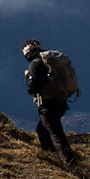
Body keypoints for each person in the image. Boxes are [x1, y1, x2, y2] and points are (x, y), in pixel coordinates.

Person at [22, 38, 76, 166]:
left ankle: (70, 162)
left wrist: (27, 77)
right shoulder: (50, 60)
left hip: (48, 103)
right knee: (42, 129)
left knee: (55, 133)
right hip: (61, 100)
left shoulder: (35, 64)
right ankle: (51, 156)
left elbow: (33, 86)